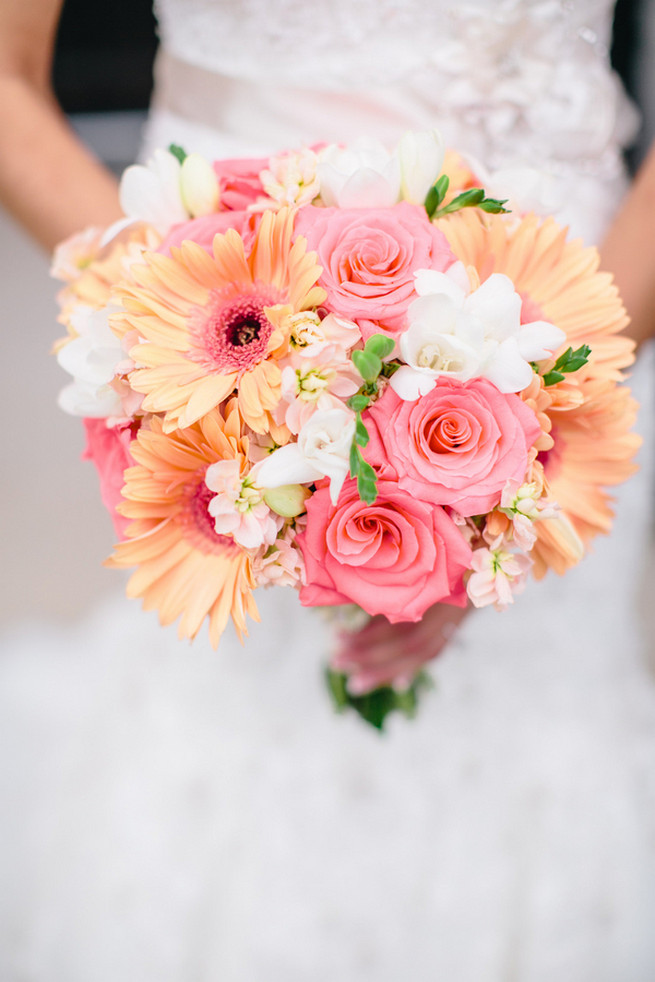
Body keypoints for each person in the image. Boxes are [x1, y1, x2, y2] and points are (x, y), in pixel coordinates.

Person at [1, 2, 655, 980]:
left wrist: (522, 425)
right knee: (229, 734)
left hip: (567, 329)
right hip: (219, 353)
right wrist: (181, 332)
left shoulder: (550, 381)